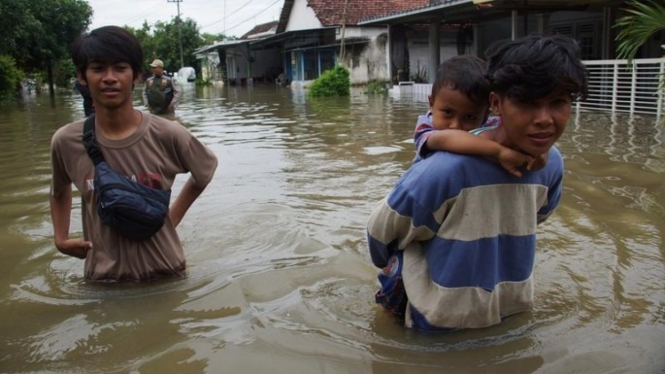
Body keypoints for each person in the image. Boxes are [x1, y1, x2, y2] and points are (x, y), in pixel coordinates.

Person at [367, 34, 588, 331]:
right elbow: (379, 234)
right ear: (496, 103)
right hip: (437, 328)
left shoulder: (551, 163)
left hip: (510, 314)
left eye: (558, 102)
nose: (544, 120)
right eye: (527, 103)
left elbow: (535, 217)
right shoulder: (444, 170)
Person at [49, 26, 218, 282]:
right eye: (97, 68)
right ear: (82, 77)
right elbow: (58, 190)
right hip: (103, 280)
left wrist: (169, 220)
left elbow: (204, 172)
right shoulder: (66, 142)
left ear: (136, 76)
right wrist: (60, 239)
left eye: (120, 67)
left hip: (166, 275)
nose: (109, 77)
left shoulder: (168, 134)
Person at [412, 55, 542, 177]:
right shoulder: (425, 126)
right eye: (448, 113)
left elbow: (518, 130)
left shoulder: (490, 124)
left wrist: (540, 152)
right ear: (431, 103)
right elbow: (444, 139)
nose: (455, 126)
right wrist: (499, 152)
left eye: (470, 118)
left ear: (485, 114)